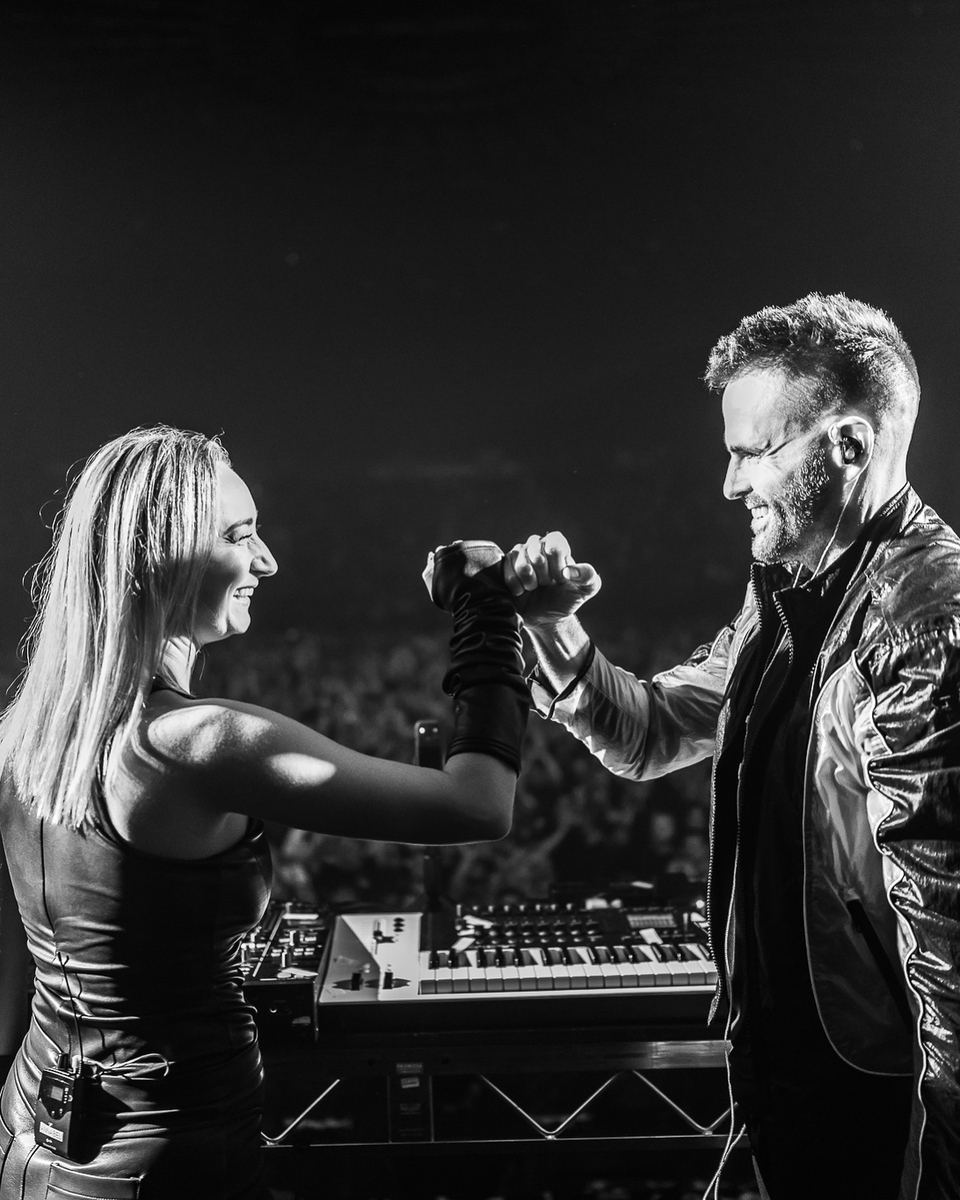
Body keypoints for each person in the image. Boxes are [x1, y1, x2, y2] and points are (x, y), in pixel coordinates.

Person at [502, 293, 960, 1200]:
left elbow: (951, 943)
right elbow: (648, 732)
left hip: (878, 1101)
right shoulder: (784, 595)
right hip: (789, 1072)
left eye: (754, 451)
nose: (729, 484)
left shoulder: (925, 622)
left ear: (850, 444)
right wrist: (553, 626)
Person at [0, 425, 529, 1198]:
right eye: (239, 535)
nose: (267, 560)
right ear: (156, 556)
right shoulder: (200, 742)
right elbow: (478, 804)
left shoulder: (21, 734)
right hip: (165, 1162)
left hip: (28, 1132)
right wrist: (487, 610)